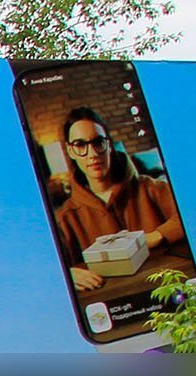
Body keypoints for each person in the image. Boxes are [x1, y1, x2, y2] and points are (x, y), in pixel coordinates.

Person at [45, 106, 183, 289]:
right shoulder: (65, 218)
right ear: (70, 151)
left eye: (98, 142)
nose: (92, 154)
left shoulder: (150, 188)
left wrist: (156, 236)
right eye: (80, 145)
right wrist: (66, 274)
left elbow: (192, 212)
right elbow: (44, 268)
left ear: (109, 145)